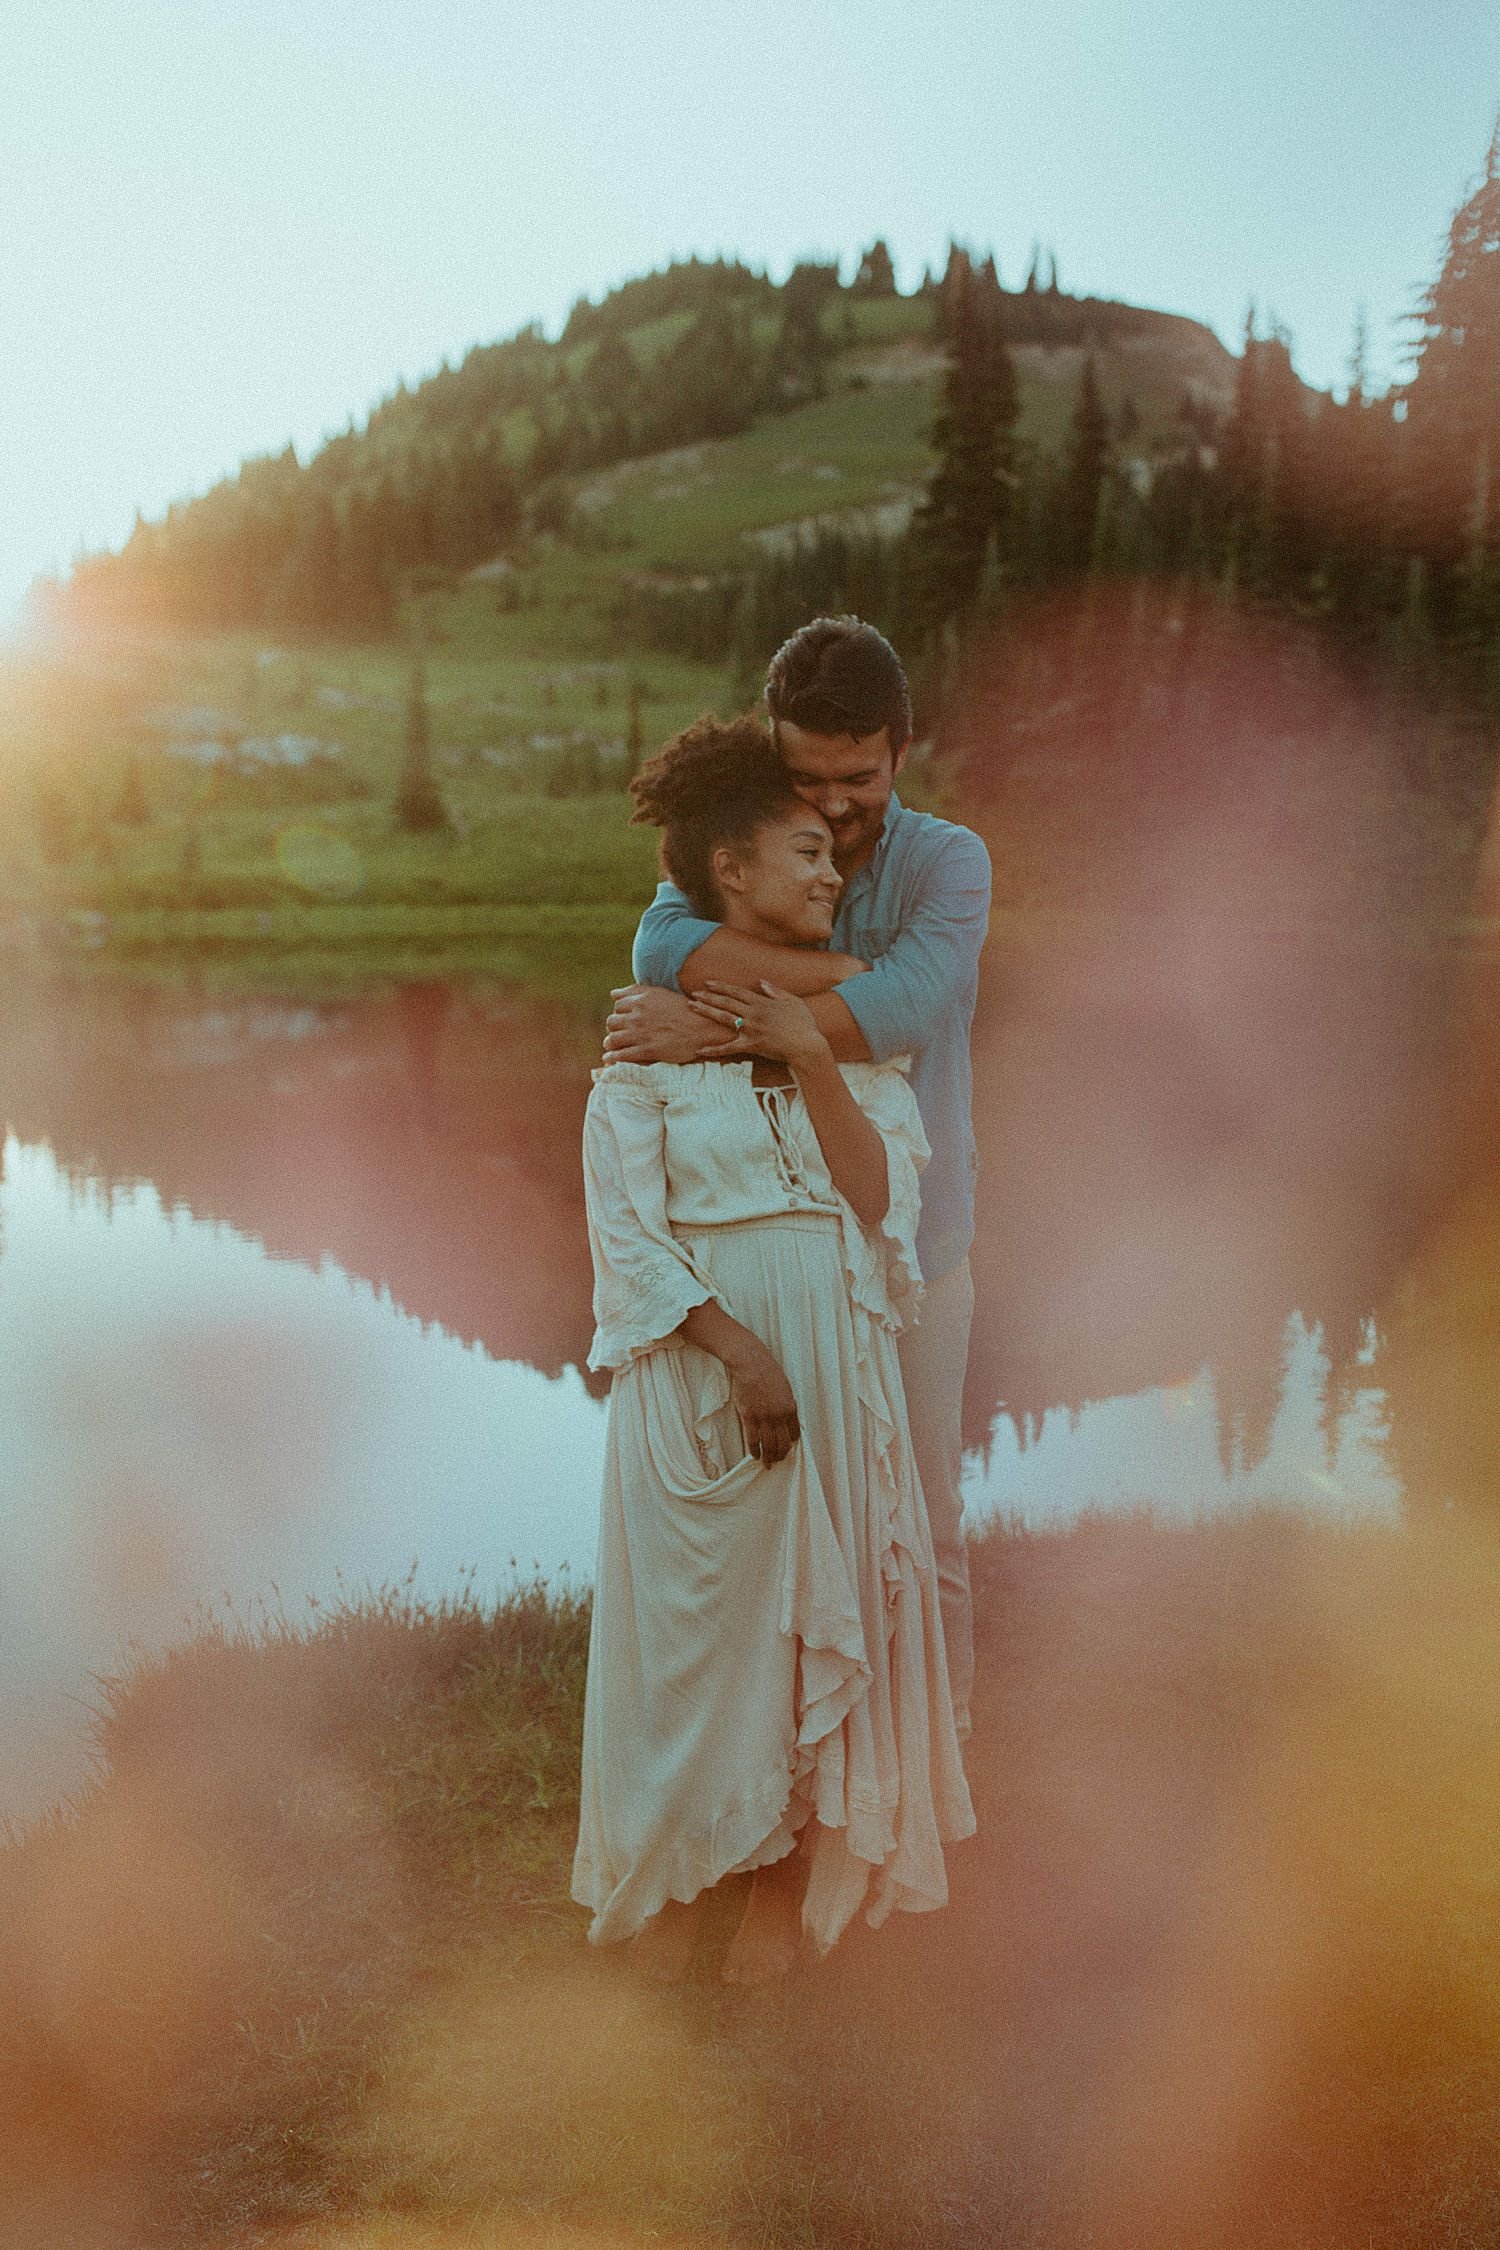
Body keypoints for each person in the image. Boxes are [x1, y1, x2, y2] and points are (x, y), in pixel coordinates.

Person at [573, 715, 974, 1982]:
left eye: (836, 851)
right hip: (711, 1360)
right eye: (805, 850)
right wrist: (738, 1352)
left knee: (824, 1621)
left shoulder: (861, 1045)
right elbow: (626, 1238)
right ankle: (685, 1859)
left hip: (839, 1354)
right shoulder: (642, 1048)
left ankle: (790, 1873)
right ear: (730, 873)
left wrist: (801, 1053)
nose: (834, 872)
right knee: (706, 1638)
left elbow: (876, 1201)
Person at [605, 618, 990, 1739]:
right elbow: (658, 948)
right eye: (805, 777)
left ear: (901, 753)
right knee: (791, 1516)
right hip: (780, 1260)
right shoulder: (749, 833)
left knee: (923, 1516)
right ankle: (802, 1757)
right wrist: (827, 995)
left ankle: (940, 1752)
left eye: (856, 777)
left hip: (916, 1244)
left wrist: (718, 1032)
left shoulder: (948, 862)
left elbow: (910, 1009)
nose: (828, 807)